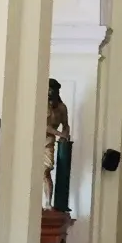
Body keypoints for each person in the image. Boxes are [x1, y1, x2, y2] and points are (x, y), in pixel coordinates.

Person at [43, 79, 71, 209]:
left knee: (46, 171)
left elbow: (66, 125)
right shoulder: (42, 104)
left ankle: (48, 202)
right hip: (37, 140)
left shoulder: (61, 108)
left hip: (49, 142)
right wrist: (60, 134)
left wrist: (64, 136)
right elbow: (44, 126)